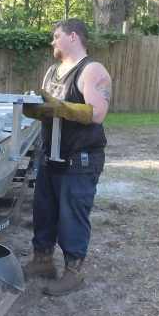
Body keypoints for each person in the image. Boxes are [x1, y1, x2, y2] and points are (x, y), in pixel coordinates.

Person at [22, 19, 112, 296]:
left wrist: (61, 107)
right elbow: (48, 109)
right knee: (44, 211)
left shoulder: (92, 70)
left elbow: (96, 113)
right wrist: (34, 108)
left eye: (56, 36)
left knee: (72, 214)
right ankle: (43, 261)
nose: (53, 42)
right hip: (51, 155)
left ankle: (74, 272)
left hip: (80, 158)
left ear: (73, 37)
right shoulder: (52, 72)